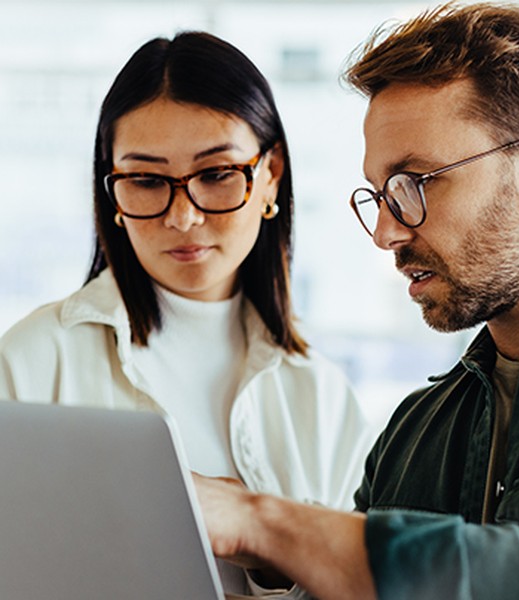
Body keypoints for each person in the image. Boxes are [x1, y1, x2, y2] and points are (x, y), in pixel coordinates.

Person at [191, 3, 519, 599]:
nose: (387, 232)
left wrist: (263, 521)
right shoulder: (414, 431)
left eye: (415, 184)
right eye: (380, 195)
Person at [0, 31, 374, 596]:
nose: (183, 216)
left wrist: (270, 546)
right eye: (147, 181)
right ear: (113, 193)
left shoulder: (323, 398)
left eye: (217, 174)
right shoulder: (31, 362)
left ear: (270, 173)